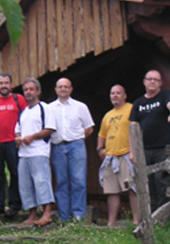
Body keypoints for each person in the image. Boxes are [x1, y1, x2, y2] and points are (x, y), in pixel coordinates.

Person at [129, 70, 170, 212]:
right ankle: (152, 217)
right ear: (144, 82)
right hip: (144, 149)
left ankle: (166, 215)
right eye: (150, 79)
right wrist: (133, 152)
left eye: (156, 80)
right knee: (148, 182)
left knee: (163, 181)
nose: (152, 82)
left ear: (160, 83)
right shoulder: (138, 103)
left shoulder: (165, 95)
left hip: (163, 147)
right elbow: (133, 128)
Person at [48, 77, 94, 222]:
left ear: (71, 89)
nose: (63, 89)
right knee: (61, 181)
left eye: (66, 87)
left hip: (76, 145)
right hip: (57, 146)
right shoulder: (49, 108)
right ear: (56, 89)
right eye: (60, 87)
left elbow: (89, 128)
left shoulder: (80, 106)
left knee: (78, 180)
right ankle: (64, 216)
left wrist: (77, 139)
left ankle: (78, 214)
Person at [15, 77, 56, 227]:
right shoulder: (23, 112)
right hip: (24, 154)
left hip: (39, 151)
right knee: (25, 185)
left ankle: (47, 213)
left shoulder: (45, 108)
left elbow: (49, 129)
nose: (28, 92)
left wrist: (32, 137)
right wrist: (19, 139)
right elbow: (17, 130)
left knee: (41, 182)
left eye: (31, 89)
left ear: (38, 91)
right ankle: (32, 214)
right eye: (26, 90)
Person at [0, 73, 27, 218]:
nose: (4, 86)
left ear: (11, 84)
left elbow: (26, 118)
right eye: (1, 83)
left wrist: (21, 136)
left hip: (13, 142)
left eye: (6, 83)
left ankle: (15, 204)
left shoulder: (18, 99)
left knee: (15, 173)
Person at [97, 85, 139, 227]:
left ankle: (136, 221)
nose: (115, 96)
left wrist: (134, 152)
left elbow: (137, 129)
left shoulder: (131, 109)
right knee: (111, 191)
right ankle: (111, 223)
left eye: (118, 93)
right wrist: (99, 149)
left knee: (133, 189)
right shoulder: (107, 115)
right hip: (110, 157)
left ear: (124, 96)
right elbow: (101, 134)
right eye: (112, 93)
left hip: (126, 154)